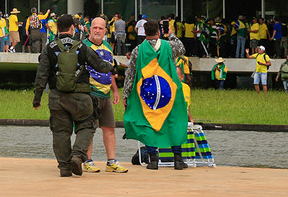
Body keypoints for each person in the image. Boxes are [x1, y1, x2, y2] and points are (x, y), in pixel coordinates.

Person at [31, 14, 114, 177]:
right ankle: (78, 156)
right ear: (72, 28)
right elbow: (100, 66)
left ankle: (64, 167)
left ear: (57, 28)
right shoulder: (81, 47)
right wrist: (112, 67)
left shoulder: (49, 48)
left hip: (57, 97)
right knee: (87, 125)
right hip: (81, 97)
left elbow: (41, 75)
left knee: (60, 132)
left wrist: (37, 98)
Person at [121, 19, 188, 171]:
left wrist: (126, 94)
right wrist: (170, 34)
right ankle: (178, 159)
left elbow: (130, 74)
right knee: (173, 121)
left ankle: (153, 160)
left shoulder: (138, 50)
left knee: (148, 122)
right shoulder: (169, 46)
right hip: (169, 91)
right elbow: (182, 48)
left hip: (147, 92)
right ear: (159, 32)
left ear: (144, 32)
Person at [82, 16, 128, 174]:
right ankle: (87, 160)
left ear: (105, 31)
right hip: (89, 94)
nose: (97, 31)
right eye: (94, 27)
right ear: (89, 29)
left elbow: (110, 70)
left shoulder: (108, 46)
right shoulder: (83, 46)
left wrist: (115, 90)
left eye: (100, 28)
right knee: (89, 128)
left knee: (109, 127)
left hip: (105, 94)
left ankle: (111, 161)